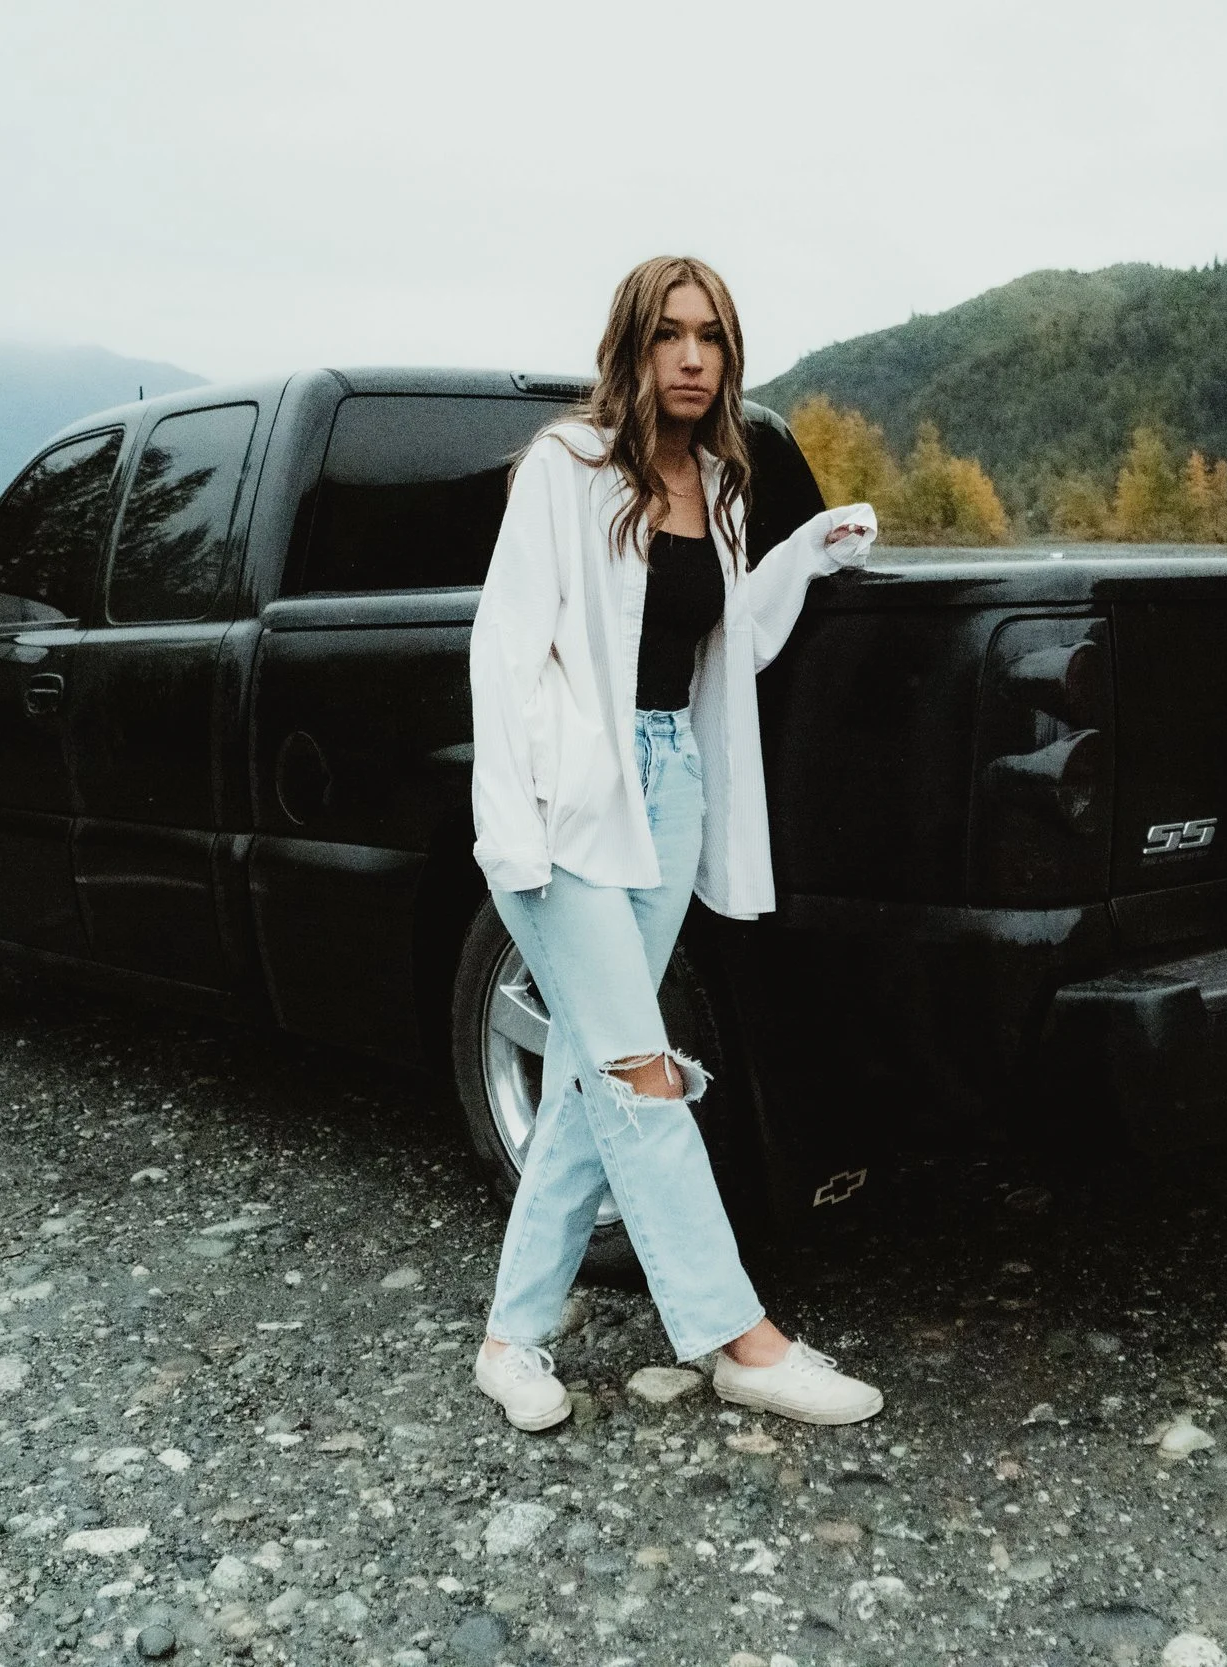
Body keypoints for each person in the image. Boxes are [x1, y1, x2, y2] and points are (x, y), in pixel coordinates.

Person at [467, 255, 885, 1430]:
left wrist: (807, 550)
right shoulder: (564, 470)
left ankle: (510, 1336)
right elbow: (505, 650)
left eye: (711, 337)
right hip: (570, 808)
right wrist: (516, 831)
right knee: (643, 1074)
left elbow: (726, 640)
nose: (693, 357)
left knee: (593, 1075)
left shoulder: (719, 482)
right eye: (670, 335)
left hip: (671, 785)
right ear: (633, 348)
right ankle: (741, 1336)